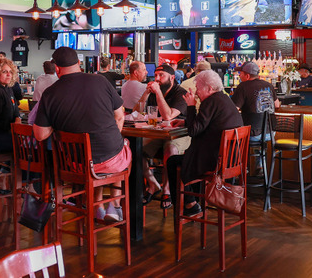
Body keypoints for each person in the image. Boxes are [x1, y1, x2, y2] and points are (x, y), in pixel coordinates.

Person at [34, 47, 130, 223]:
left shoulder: (50, 93)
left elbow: (40, 135)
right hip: (109, 161)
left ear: (57, 68)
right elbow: (119, 116)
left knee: (94, 160)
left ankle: (97, 206)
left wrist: (54, 125)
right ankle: (114, 204)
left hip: (74, 165)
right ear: (79, 64)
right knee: (124, 146)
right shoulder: (100, 81)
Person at [166, 70, 243, 217]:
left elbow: (194, 131)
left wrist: (190, 106)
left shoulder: (210, 101)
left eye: (199, 88)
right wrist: (186, 121)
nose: (196, 92)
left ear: (209, 88)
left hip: (214, 162)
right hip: (231, 160)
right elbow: (205, 123)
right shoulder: (223, 99)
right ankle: (193, 203)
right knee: (189, 157)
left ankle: (188, 205)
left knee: (173, 161)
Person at [137, 63, 191, 208]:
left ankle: (167, 189)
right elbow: (137, 113)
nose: (157, 79)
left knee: (170, 149)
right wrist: (146, 93)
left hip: (181, 134)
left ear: (172, 77)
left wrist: (158, 93)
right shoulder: (155, 92)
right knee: (135, 148)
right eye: (155, 75)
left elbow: (168, 116)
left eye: (161, 75)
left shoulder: (181, 93)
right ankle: (153, 183)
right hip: (160, 133)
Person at [231, 61, 280, 144]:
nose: (239, 75)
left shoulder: (243, 86)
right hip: (270, 132)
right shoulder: (269, 85)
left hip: (252, 134)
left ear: (247, 76)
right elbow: (277, 104)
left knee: (230, 137)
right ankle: (260, 156)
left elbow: (233, 109)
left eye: (241, 73)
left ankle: (241, 157)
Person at [26, 60, 59, 126]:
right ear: (56, 68)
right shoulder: (57, 80)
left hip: (35, 109)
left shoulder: (39, 78)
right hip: (48, 111)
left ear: (44, 69)